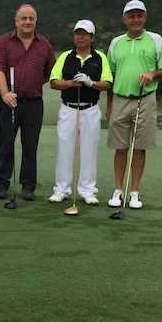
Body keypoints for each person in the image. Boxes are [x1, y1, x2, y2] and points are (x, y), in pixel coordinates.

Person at [106, 0, 162, 209]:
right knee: (120, 147)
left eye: (139, 15)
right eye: (131, 16)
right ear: (124, 19)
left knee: (140, 148)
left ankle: (133, 192)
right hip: (120, 99)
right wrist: (108, 104)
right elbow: (111, 76)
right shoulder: (116, 43)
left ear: (145, 17)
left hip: (145, 99)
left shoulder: (155, 39)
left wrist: (153, 74)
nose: (136, 19)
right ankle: (117, 191)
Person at [0, 4, 56, 201]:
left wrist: (32, 85)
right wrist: (5, 93)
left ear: (36, 21)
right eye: (23, 18)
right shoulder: (4, 42)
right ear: (16, 21)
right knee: (6, 143)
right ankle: (2, 183)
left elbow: (49, 73)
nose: (27, 22)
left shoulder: (44, 45)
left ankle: (28, 185)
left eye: (31, 19)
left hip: (33, 103)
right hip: (7, 101)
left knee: (30, 145)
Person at [49, 20, 113, 205]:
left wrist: (90, 83)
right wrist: (71, 83)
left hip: (90, 109)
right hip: (68, 108)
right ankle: (61, 189)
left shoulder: (100, 58)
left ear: (92, 37)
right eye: (77, 33)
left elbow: (107, 83)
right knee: (64, 148)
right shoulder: (65, 57)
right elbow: (54, 81)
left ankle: (87, 190)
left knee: (89, 149)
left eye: (85, 34)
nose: (80, 37)